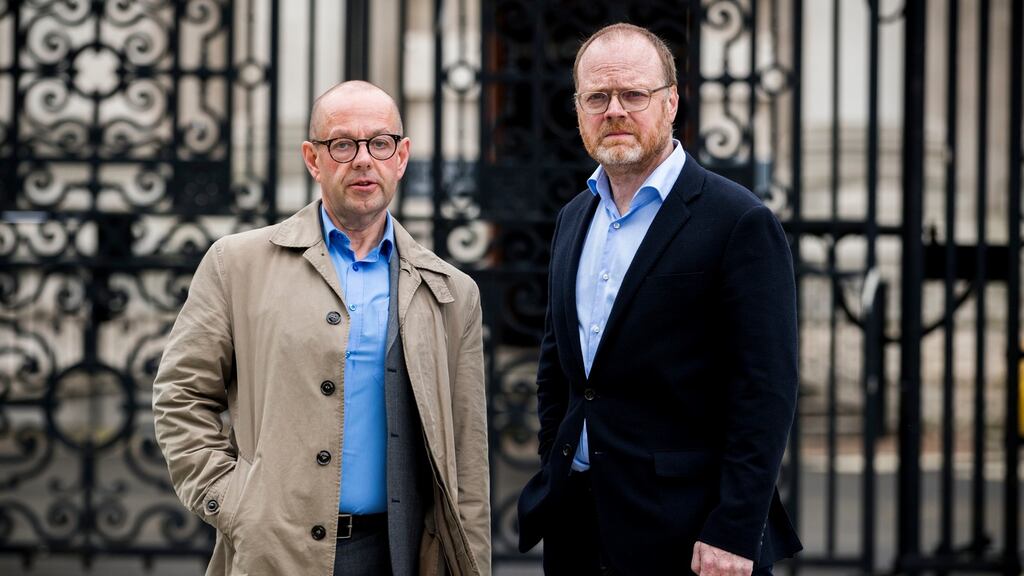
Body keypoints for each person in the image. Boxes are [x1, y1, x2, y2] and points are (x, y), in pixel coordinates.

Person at [154, 81, 490, 576]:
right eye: (342, 144)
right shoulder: (237, 264)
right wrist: (234, 504)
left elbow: (467, 453)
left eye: (379, 143)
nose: (362, 159)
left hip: (402, 555)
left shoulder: (452, 291)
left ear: (401, 157)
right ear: (313, 159)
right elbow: (179, 395)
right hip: (276, 553)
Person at [516, 24, 802, 576]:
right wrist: (555, 463)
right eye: (597, 97)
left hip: (688, 535)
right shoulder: (575, 217)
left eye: (634, 95)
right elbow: (559, 368)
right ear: (578, 108)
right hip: (576, 523)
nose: (615, 110)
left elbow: (765, 390)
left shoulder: (738, 220)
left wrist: (735, 529)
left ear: (671, 102)